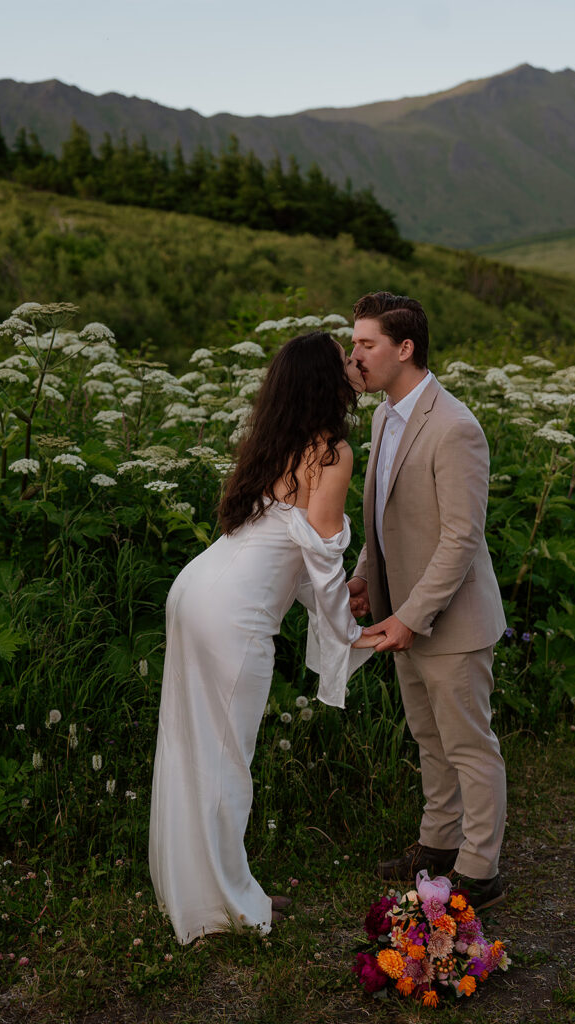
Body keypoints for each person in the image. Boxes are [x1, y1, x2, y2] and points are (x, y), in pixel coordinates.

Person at [149, 331, 381, 944]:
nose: (354, 364)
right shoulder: (330, 452)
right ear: (324, 381)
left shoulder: (275, 442)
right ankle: (223, 907)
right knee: (227, 759)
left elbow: (288, 554)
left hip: (197, 592)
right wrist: (350, 633)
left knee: (196, 747)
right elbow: (325, 562)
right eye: (343, 360)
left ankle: (213, 889)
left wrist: (336, 610)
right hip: (231, 617)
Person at [348, 292, 508, 910]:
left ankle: (480, 869)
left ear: (404, 348)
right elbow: (385, 516)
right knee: (428, 739)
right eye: (355, 343)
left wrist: (412, 616)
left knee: (469, 744)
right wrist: (366, 576)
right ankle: (437, 846)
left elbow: (462, 538)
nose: (354, 355)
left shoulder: (455, 426)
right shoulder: (385, 415)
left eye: (366, 344)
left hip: (450, 619)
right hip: (398, 611)